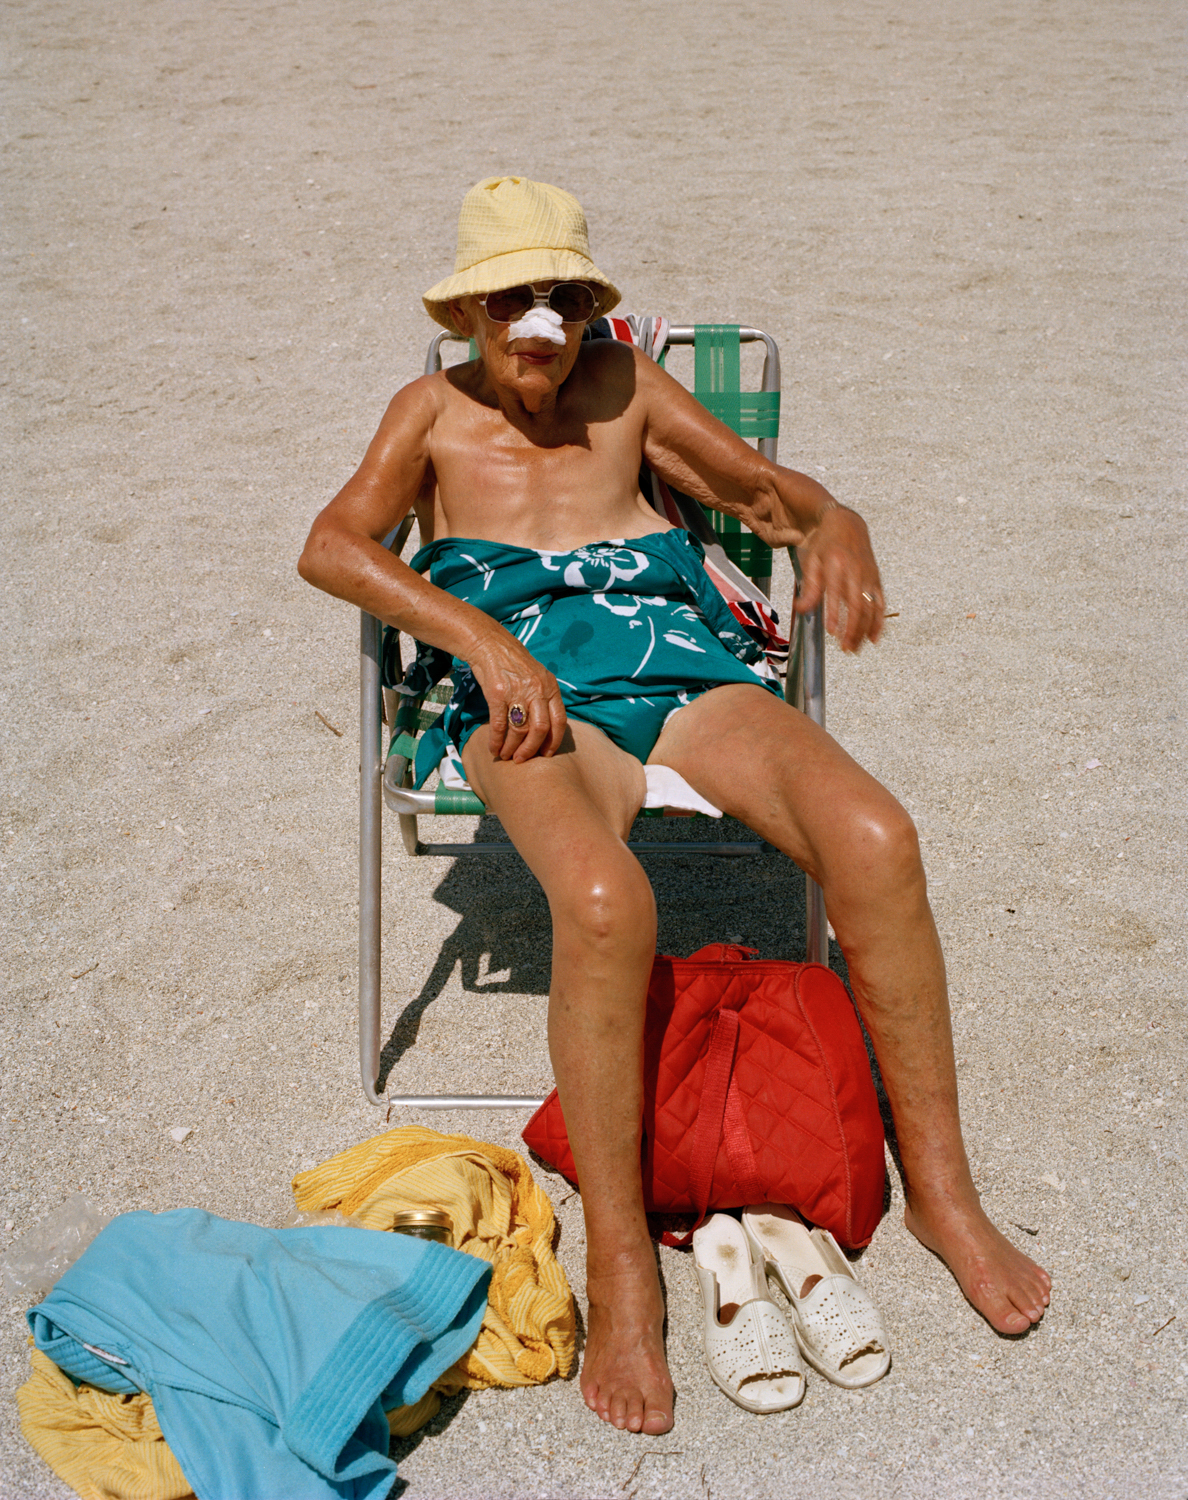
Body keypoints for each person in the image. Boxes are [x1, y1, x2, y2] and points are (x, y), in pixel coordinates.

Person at [298, 176, 1050, 1436]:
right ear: (472, 310)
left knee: (878, 839)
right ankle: (623, 1262)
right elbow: (333, 546)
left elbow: (763, 495)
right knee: (604, 900)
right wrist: (477, 636)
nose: (540, 320)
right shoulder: (427, 413)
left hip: (680, 667)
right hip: (536, 699)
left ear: (593, 302)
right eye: (511, 299)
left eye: (566, 295)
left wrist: (834, 518)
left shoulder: (627, 387)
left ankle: (945, 1195)